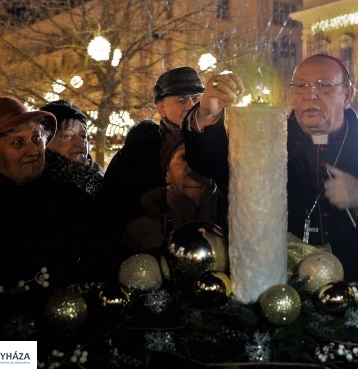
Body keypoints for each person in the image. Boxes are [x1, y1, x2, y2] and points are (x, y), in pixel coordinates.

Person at [186, 54, 358, 284]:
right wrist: (208, 112)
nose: (310, 94)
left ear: (348, 96)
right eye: (301, 86)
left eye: (323, 86)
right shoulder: (267, 140)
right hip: (285, 294)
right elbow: (210, 163)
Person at [0, 96, 118, 294]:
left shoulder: (72, 199)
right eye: (17, 142)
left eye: (36, 138)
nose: (33, 150)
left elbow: (104, 260)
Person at [98, 66, 237, 237]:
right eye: (182, 100)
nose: (191, 105)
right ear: (161, 108)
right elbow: (112, 210)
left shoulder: (217, 143)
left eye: (196, 98)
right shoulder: (139, 150)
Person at [121, 130, 226, 256]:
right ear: (167, 174)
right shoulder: (141, 231)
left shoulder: (237, 220)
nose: (192, 165)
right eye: (183, 157)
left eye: (200, 156)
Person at [40, 100, 104, 196]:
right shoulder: (40, 189)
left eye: (83, 136)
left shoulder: (99, 181)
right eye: (68, 136)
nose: (81, 143)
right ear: (45, 142)